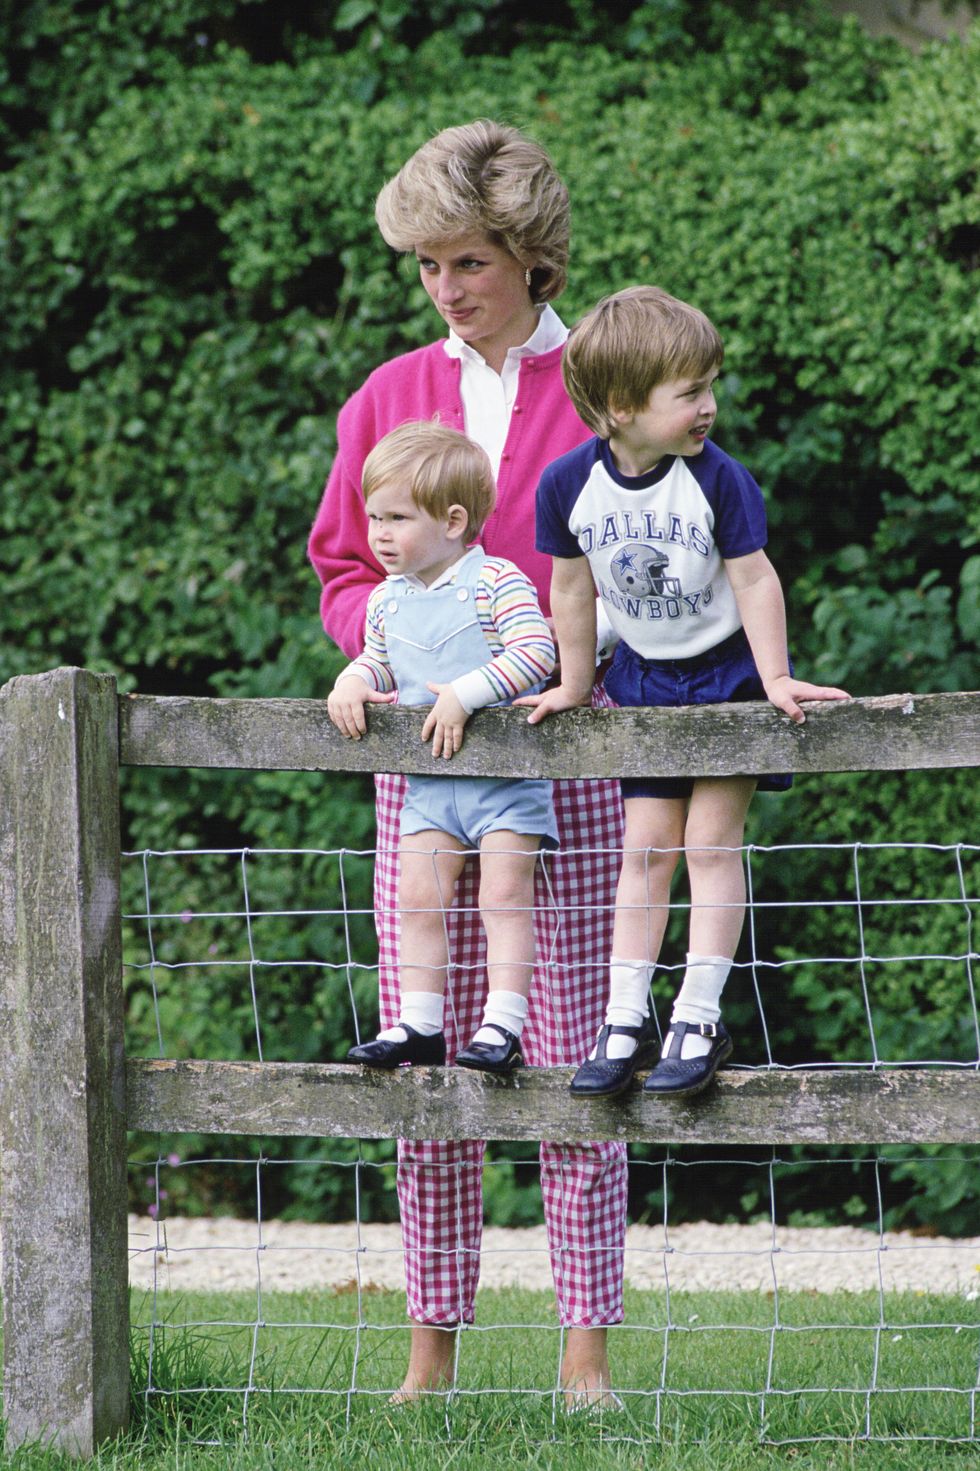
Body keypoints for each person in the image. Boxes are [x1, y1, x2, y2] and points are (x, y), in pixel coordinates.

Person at [308, 121, 626, 1407]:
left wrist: (584, 665)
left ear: (531, 256)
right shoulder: (387, 395)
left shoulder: (605, 381)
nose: (444, 286)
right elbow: (343, 565)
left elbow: (663, 549)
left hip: (576, 755)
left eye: (468, 261)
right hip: (428, 766)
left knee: (572, 1053)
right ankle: (427, 1356)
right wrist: (386, 655)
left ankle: (584, 1359)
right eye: (427, 264)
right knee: (428, 1053)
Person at [522, 285, 850, 1100]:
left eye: (711, 386)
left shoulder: (719, 479)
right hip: (642, 680)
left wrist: (774, 677)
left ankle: (698, 1015)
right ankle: (624, 1018)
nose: (710, 406)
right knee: (643, 851)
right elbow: (571, 590)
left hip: (727, 674)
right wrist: (573, 682)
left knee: (709, 843)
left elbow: (755, 578)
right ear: (621, 407)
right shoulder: (567, 486)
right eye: (690, 392)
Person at [328, 420, 558, 1075]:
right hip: (429, 786)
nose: (379, 533)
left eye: (397, 518)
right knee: (417, 900)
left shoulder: (497, 582)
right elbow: (380, 661)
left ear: (454, 521)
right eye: (374, 517)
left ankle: (502, 1025)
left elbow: (537, 651)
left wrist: (466, 692)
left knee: (503, 898)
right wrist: (352, 680)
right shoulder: (385, 601)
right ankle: (420, 1025)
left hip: (504, 784)